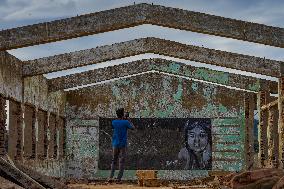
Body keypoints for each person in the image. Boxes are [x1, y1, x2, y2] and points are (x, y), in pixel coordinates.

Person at [108, 108, 135, 183]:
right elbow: (133, 127)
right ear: (123, 114)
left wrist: (122, 119)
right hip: (123, 144)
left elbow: (113, 127)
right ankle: (118, 179)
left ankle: (110, 177)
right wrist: (128, 120)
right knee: (122, 161)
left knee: (114, 160)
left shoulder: (114, 122)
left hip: (115, 144)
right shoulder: (126, 122)